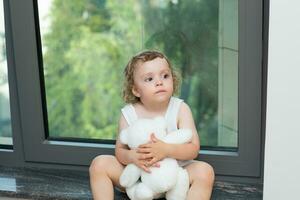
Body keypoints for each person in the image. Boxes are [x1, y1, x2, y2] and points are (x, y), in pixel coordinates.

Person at [89, 50, 215, 200]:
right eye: (149, 79)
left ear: (173, 80)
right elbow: (120, 151)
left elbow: (193, 148)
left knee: (205, 171)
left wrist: (166, 149)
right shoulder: (128, 113)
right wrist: (132, 156)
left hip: (175, 176)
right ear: (135, 90)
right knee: (99, 164)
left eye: (165, 76)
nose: (159, 82)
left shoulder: (180, 108)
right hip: (138, 178)